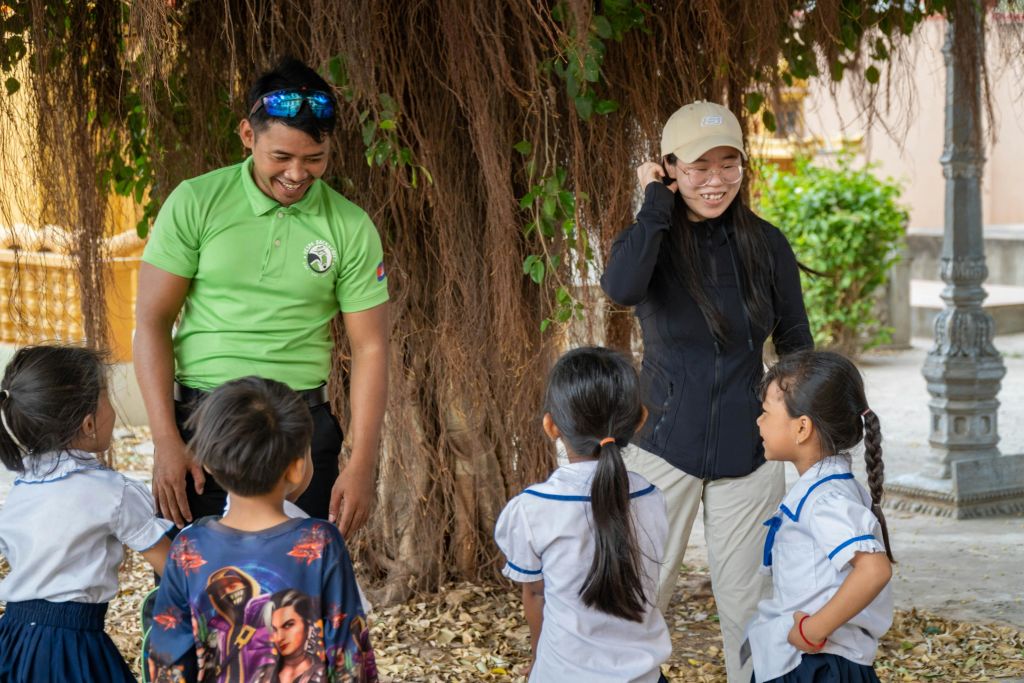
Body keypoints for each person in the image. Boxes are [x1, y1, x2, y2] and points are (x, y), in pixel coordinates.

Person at [600, 100, 814, 682]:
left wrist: (802, 428)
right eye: (697, 167)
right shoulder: (650, 241)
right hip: (659, 451)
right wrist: (654, 205)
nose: (715, 181)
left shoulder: (767, 244)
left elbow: (796, 340)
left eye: (729, 164)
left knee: (750, 609)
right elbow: (620, 289)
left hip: (750, 456)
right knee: (639, 600)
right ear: (668, 167)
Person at [135, 56, 389, 534]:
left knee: (295, 592)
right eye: (282, 157)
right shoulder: (196, 201)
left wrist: (361, 462)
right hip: (203, 428)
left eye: (314, 159)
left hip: (300, 435)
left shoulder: (351, 227)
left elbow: (371, 346)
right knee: (193, 588)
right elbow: (151, 322)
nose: (297, 174)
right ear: (248, 136)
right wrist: (167, 440)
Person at [146, 376, 377, 682]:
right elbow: (350, 658)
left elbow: (167, 664)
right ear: (296, 467)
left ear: (210, 465)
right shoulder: (321, 542)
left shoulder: (188, 547)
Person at [494, 347, 671, 683]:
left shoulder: (532, 509)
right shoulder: (651, 498)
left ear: (551, 426)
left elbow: (535, 593)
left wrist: (537, 659)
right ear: (640, 419)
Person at [0, 345, 173, 683]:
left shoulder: (22, 489)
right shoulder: (112, 492)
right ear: (89, 422)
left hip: (13, 639)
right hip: (71, 647)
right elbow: (171, 566)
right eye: (107, 397)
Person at [745, 350, 894, 682]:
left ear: (802, 428)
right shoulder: (826, 489)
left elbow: (873, 569)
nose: (758, 421)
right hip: (809, 660)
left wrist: (813, 629)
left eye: (766, 413)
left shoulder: (826, 498)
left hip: (819, 665)